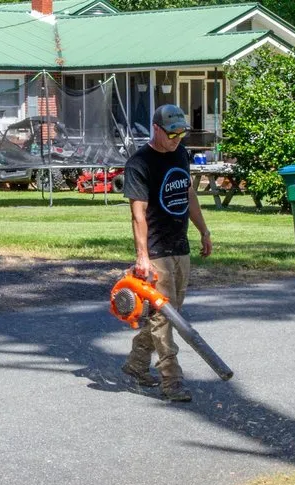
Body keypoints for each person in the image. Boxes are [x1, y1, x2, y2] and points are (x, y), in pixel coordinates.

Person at [120, 104, 212, 402]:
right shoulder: (139, 163)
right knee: (164, 317)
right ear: (156, 129)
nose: (177, 139)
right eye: (172, 134)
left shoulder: (180, 153)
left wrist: (204, 230)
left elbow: (188, 193)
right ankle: (171, 380)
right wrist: (142, 257)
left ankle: (136, 365)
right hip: (157, 251)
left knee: (170, 315)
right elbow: (138, 215)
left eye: (181, 133)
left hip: (180, 245)